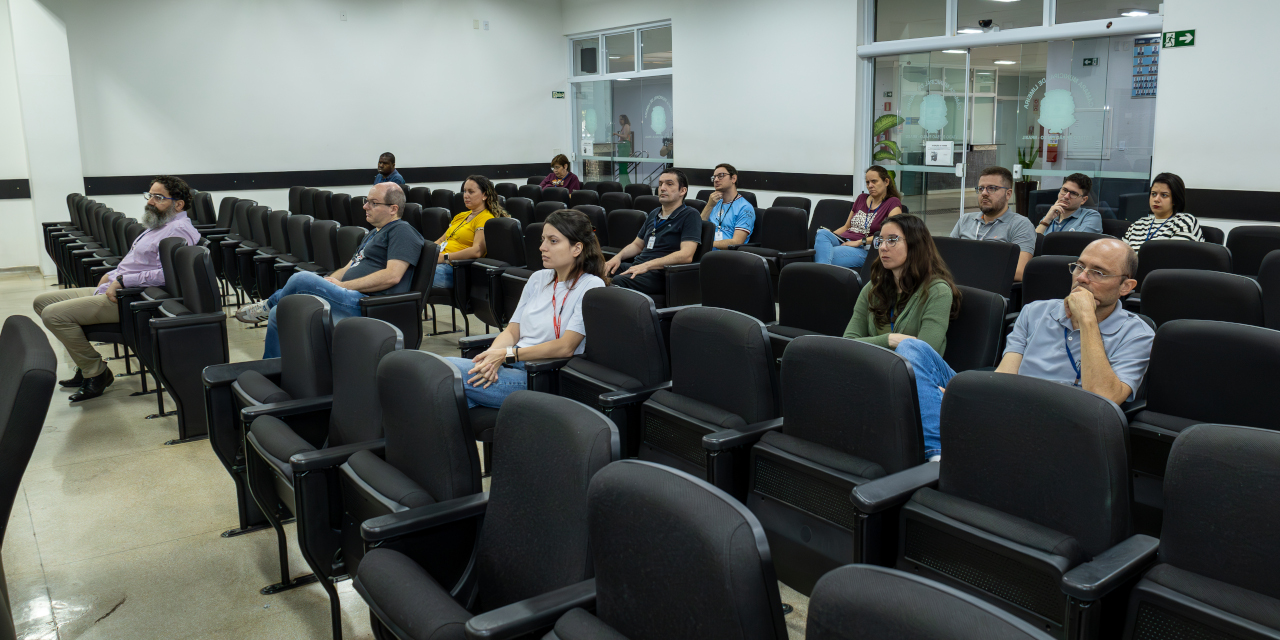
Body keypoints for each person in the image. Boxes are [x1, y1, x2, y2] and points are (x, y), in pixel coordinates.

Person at [898, 238, 1154, 460]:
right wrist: (971, 397)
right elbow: (1005, 377)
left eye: (1099, 272)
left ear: (1126, 287)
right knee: (912, 348)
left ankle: (949, 439)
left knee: (937, 404)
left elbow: (1103, 399)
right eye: (1079, 266)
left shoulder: (1138, 335)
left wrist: (1087, 319)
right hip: (1010, 404)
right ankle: (937, 454)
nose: (1082, 277)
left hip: (1062, 423)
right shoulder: (1035, 311)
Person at [33, 176, 201, 401]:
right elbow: (136, 262)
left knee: (53, 315)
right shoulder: (159, 225)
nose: (150, 201)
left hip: (131, 298)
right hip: (116, 288)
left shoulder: (178, 231)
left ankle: (95, 372)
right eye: (150, 195)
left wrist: (122, 281)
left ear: (178, 204)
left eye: (158, 197)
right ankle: (86, 366)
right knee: (41, 302)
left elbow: (169, 275)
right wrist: (112, 275)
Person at [234, 182, 425, 358]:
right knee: (279, 313)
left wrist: (343, 286)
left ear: (393, 209)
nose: (365, 206)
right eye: (366, 201)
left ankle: (267, 304)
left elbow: (392, 276)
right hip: (349, 296)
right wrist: (328, 282)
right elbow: (348, 267)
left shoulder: (402, 231)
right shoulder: (374, 233)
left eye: (373, 203)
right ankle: (274, 370)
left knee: (302, 280)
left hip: (369, 304)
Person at [445, 209, 608, 407]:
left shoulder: (590, 285)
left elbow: (566, 347)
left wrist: (508, 354)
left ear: (577, 248)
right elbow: (513, 330)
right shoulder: (538, 278)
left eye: (553, 241)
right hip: (511, 363)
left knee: (443, 375)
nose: (542, 247)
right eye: (543, 240)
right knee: (450, 395)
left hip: (541, 375)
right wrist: (492, 358)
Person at [842, 214, 960, 458]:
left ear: (915, 244)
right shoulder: (872, 288)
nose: (883, 247)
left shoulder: (937, 291)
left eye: (892, 240)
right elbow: (847, 344)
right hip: (886, 374)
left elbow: (926, 351)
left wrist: (896, 346)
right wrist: (890, 340)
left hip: (934, 374)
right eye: (880, 241)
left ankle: (935, 453)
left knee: (911, 350)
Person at [606, 168, 701, 295]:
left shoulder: (690, 215)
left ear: (682, 191)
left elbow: (686, 255)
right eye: (660, 184)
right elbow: (637, 245)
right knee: (598, 272)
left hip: (661, 274)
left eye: (669, 184)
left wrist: (647, 265)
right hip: (640, 267)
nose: (662, 188)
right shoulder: (654, 213)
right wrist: (617, 257)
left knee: (618, 281)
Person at [950, 166, 1036, 281]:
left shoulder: (1020, 224)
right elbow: (945, 258)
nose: (984, 193)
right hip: (958, 283)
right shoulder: (966, 220)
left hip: (991, 290)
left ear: (1008, 194)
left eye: (992, 188)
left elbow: (1020, 272)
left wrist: (970, 268)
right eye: (981, 188)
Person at [814, 165, 904, 268]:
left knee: (826, 254)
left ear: (886, 182)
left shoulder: (892, 203)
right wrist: (831, 239)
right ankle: (823, 277)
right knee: (822, 234)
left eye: (874, 181)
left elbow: (889, 234)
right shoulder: (861, 198)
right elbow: (846, 227)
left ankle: (820, 278)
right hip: (845, 240)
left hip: (864, 249)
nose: (870, 185)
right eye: (867, 182)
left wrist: (858, 242)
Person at [432, 175, 508, 289]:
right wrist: (428, 254)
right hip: (439, 263)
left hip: (455, 269)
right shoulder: (461, 216)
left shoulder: (486, 218)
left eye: (471, 192)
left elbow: (477, 250)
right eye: (464, 191)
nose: (466, 195)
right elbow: (441, 240)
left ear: (485, 195)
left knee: (412, 276)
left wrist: (445, 257)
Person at [1122, 172, 1203, 251]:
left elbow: (1174, 258)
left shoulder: (1183, 221)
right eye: (1153, 194)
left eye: (1164, 195)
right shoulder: (1138, 224)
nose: (1156, 199)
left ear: (1175, 199)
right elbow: (1122, 256)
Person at [700, 163, 754, 249]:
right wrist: (709, 205)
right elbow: (697, 228)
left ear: (733, 178)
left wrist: (707, 244)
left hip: (726, 256)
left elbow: (737, 242)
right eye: (714, 177)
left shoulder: (745, 207)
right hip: (705, 252)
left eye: (721, 175)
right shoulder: (714, 202)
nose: (716, 180)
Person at [1035, 173, 1103, 236]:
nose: (1066, 196)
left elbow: (1076, 244)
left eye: (1073, 193)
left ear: (1083, 200)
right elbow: (1031, 244)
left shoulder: (1090, 216)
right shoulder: (1050, 216)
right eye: (1064, 190)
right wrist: (1047, 219)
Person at [613, 114, 633, 186]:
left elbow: (624, 136)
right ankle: (623, 182)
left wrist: (616, 134)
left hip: (625, 147)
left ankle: (625, 183)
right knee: (621, 166)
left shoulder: (627, 126)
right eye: (619, 119)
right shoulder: (623, 127)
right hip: (622, 147)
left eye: (621, 119)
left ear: (625, 119)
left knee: (623, 166)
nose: (620, 121)